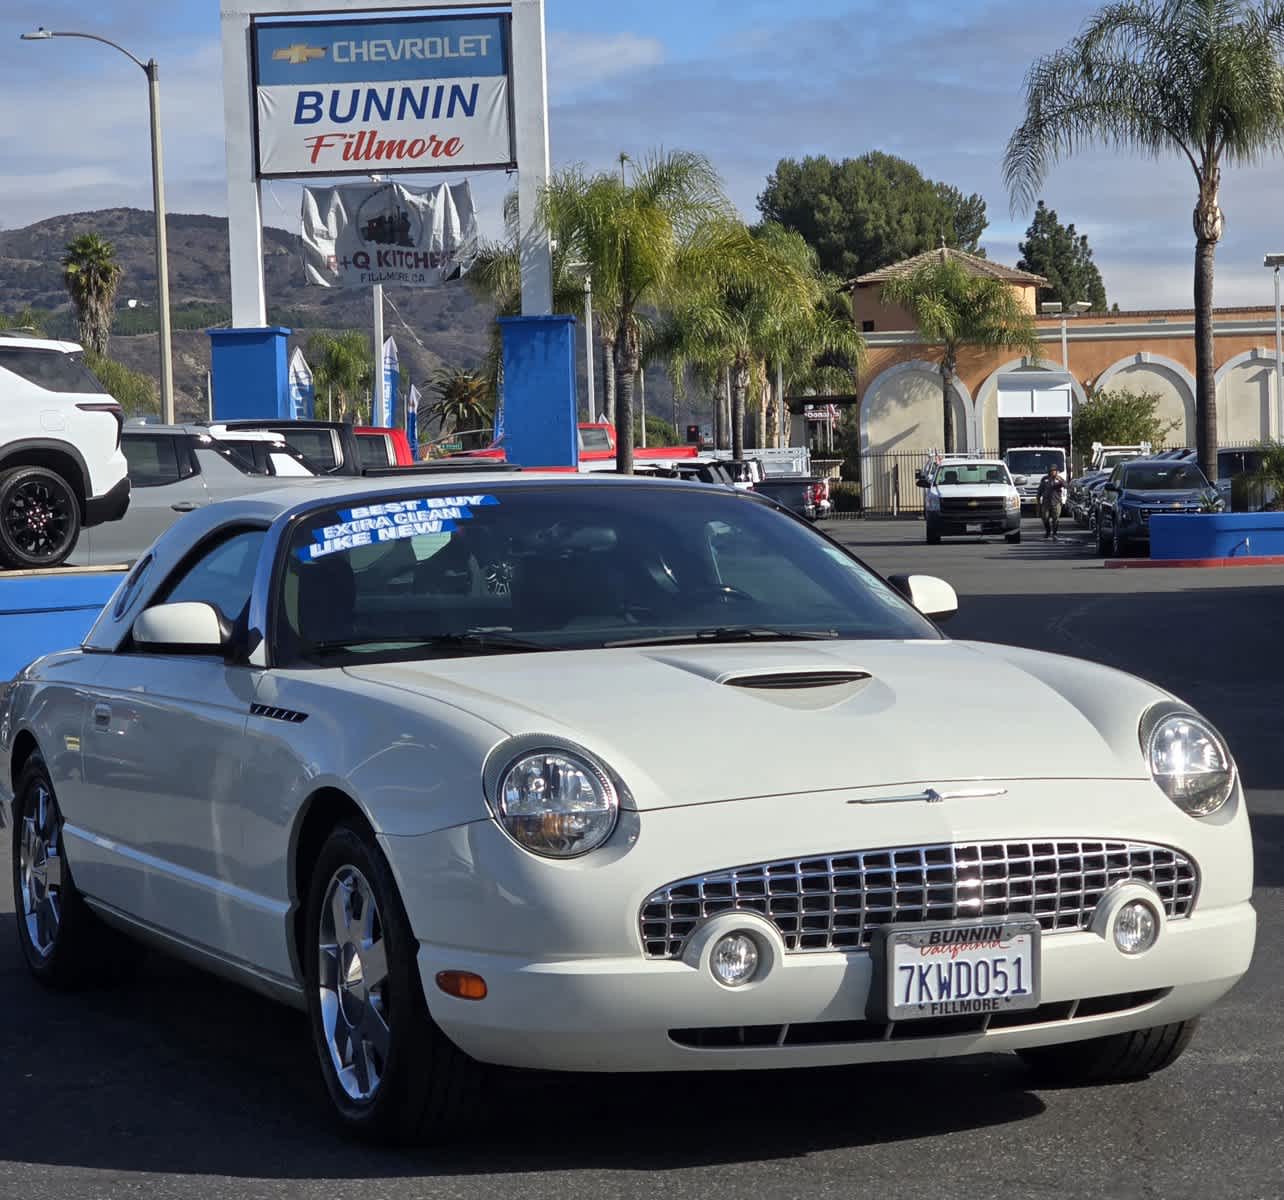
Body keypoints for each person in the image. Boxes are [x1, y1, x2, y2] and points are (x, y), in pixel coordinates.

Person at [1037, 465, 1067, 539]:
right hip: (1046, 502)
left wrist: (1060, 481)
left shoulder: (1059, 479)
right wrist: (1038, 501)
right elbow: (1040, 490)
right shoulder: (1044, 479)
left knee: (1055, 518)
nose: (1053, 472)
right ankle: (1048, 531)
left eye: (1054, 471)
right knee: (1045, 517)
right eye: (1051, 471)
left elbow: (1066, 486)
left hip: (1056, 502)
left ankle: (1054, 533)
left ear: (1056, 471)